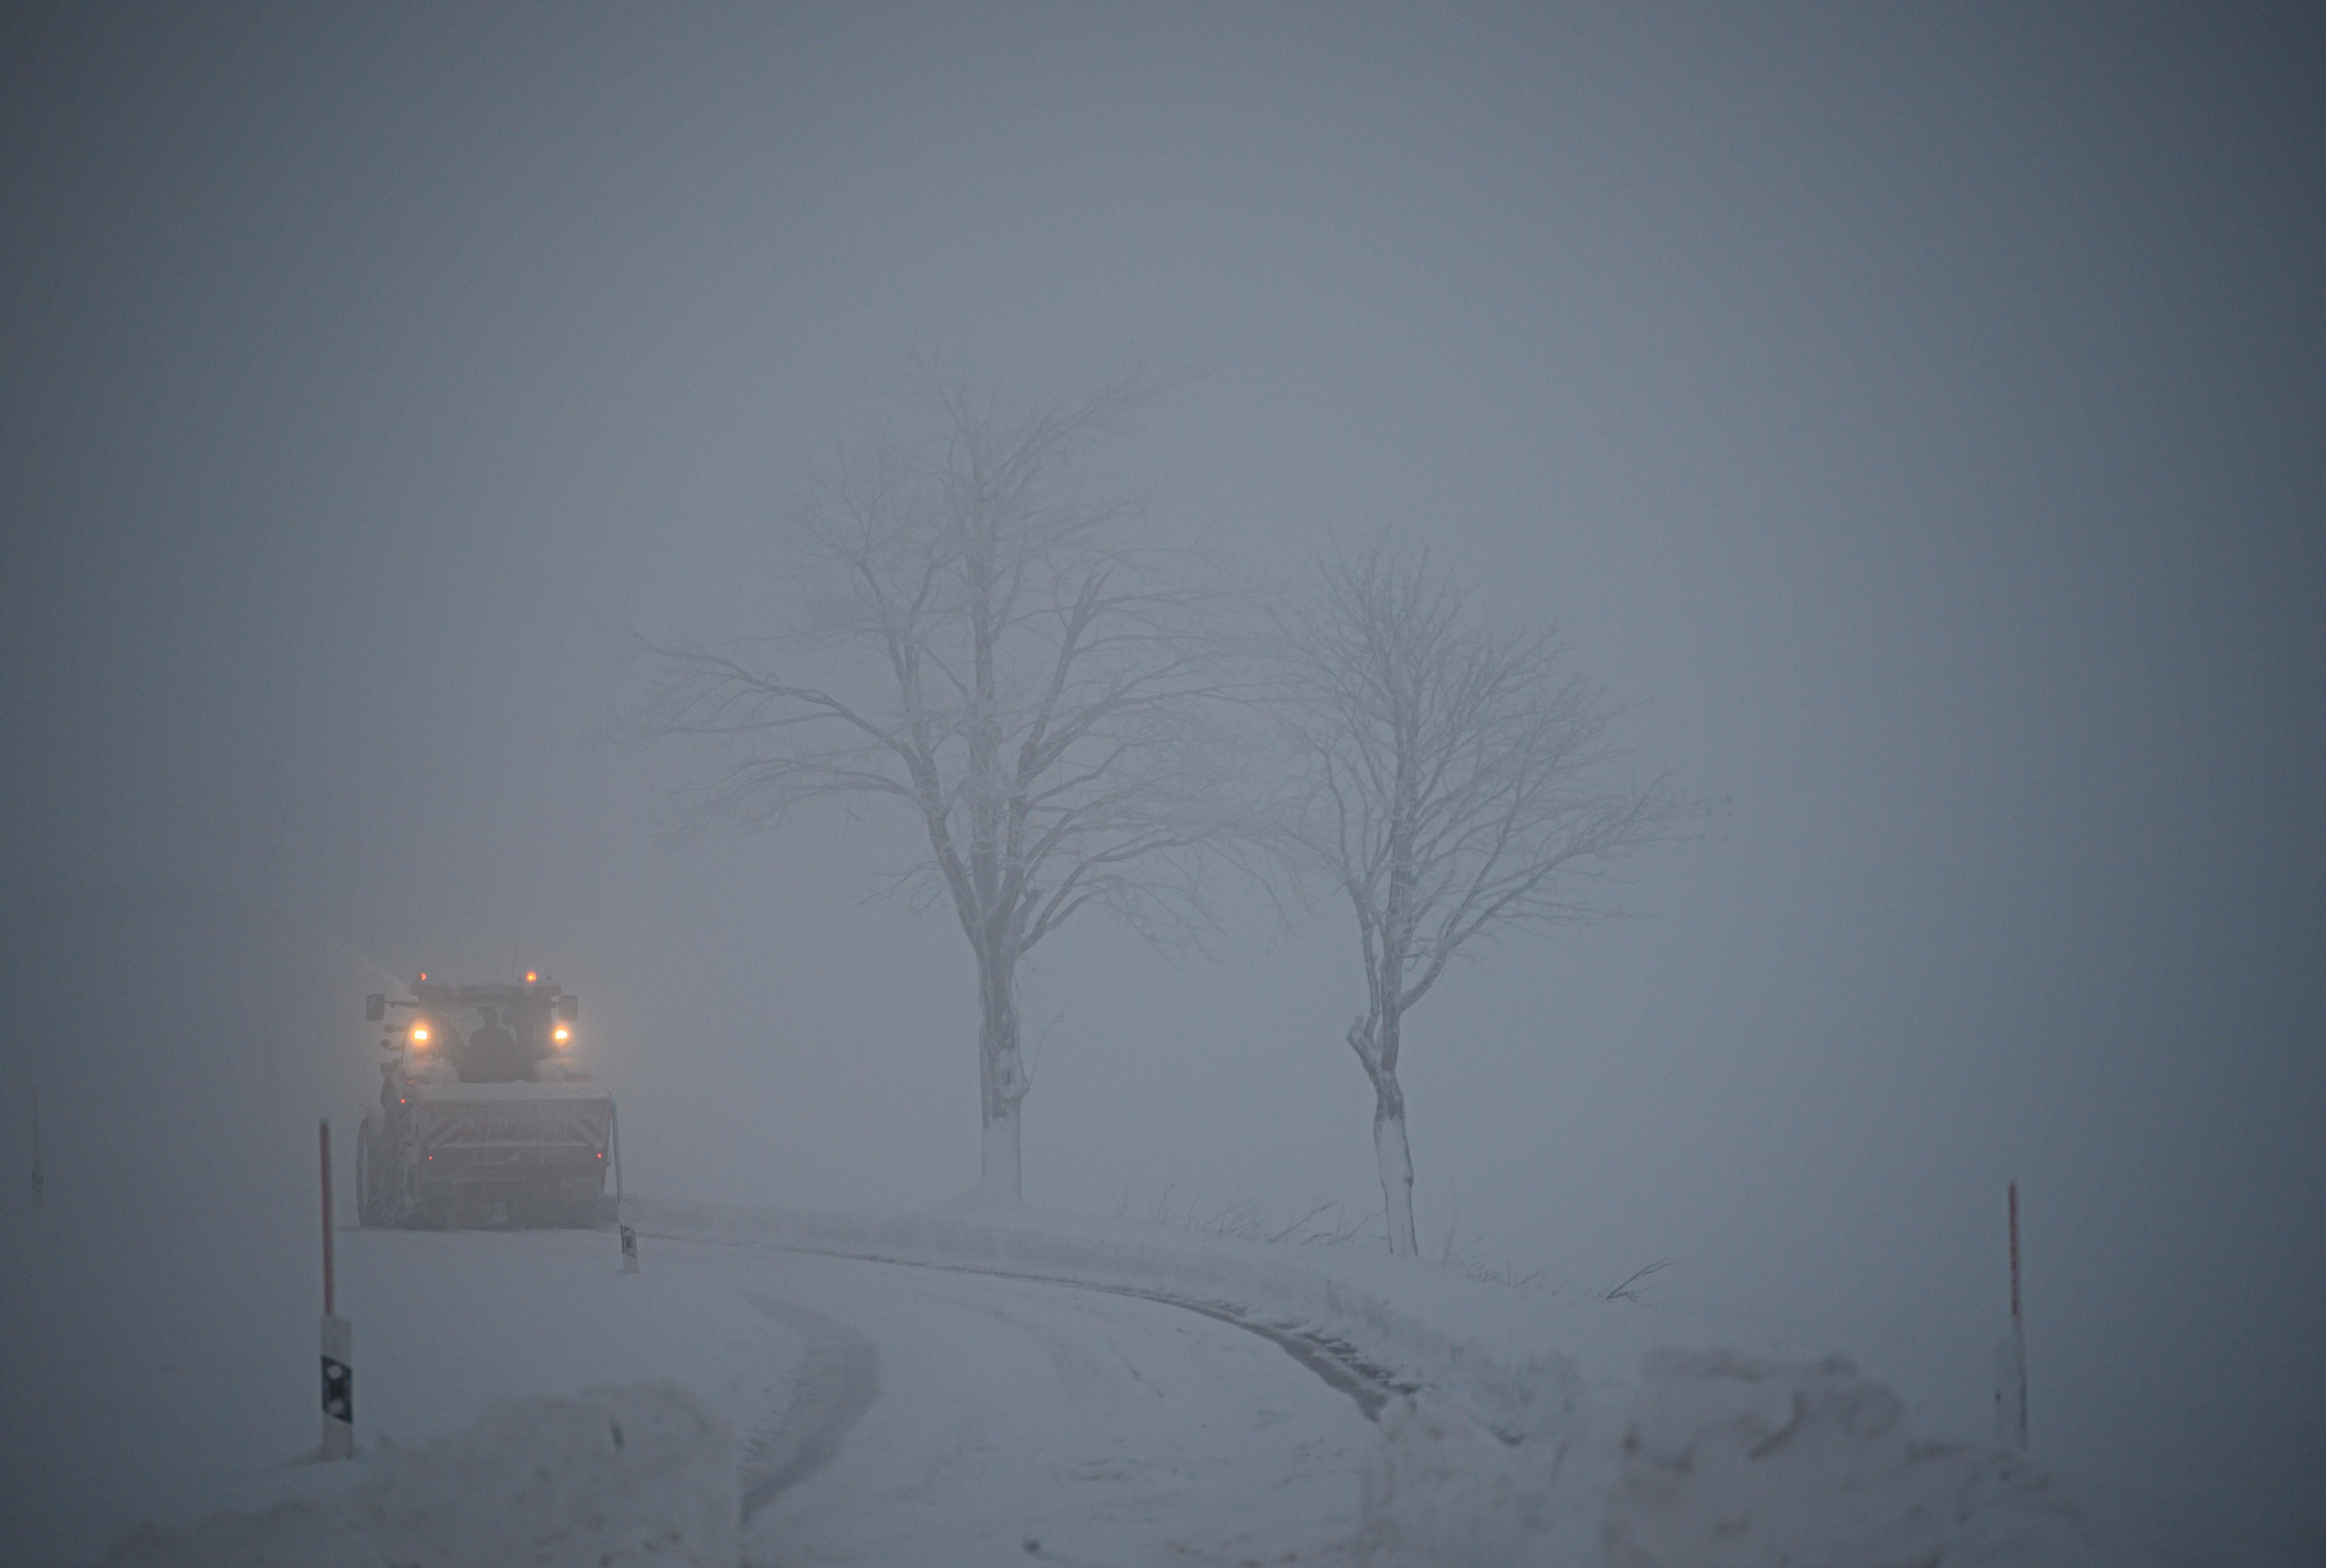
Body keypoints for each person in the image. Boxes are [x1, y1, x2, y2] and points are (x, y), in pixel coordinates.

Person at [465, 1007, 524, 1083]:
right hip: (481, 1079)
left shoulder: (504, 1035)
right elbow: (472, 1057)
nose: (491, 1020)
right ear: (486, 1020)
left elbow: (513, 1055)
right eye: (489, 1018)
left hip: (504, 1080)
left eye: (493, 1018)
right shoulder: (478, 1035)